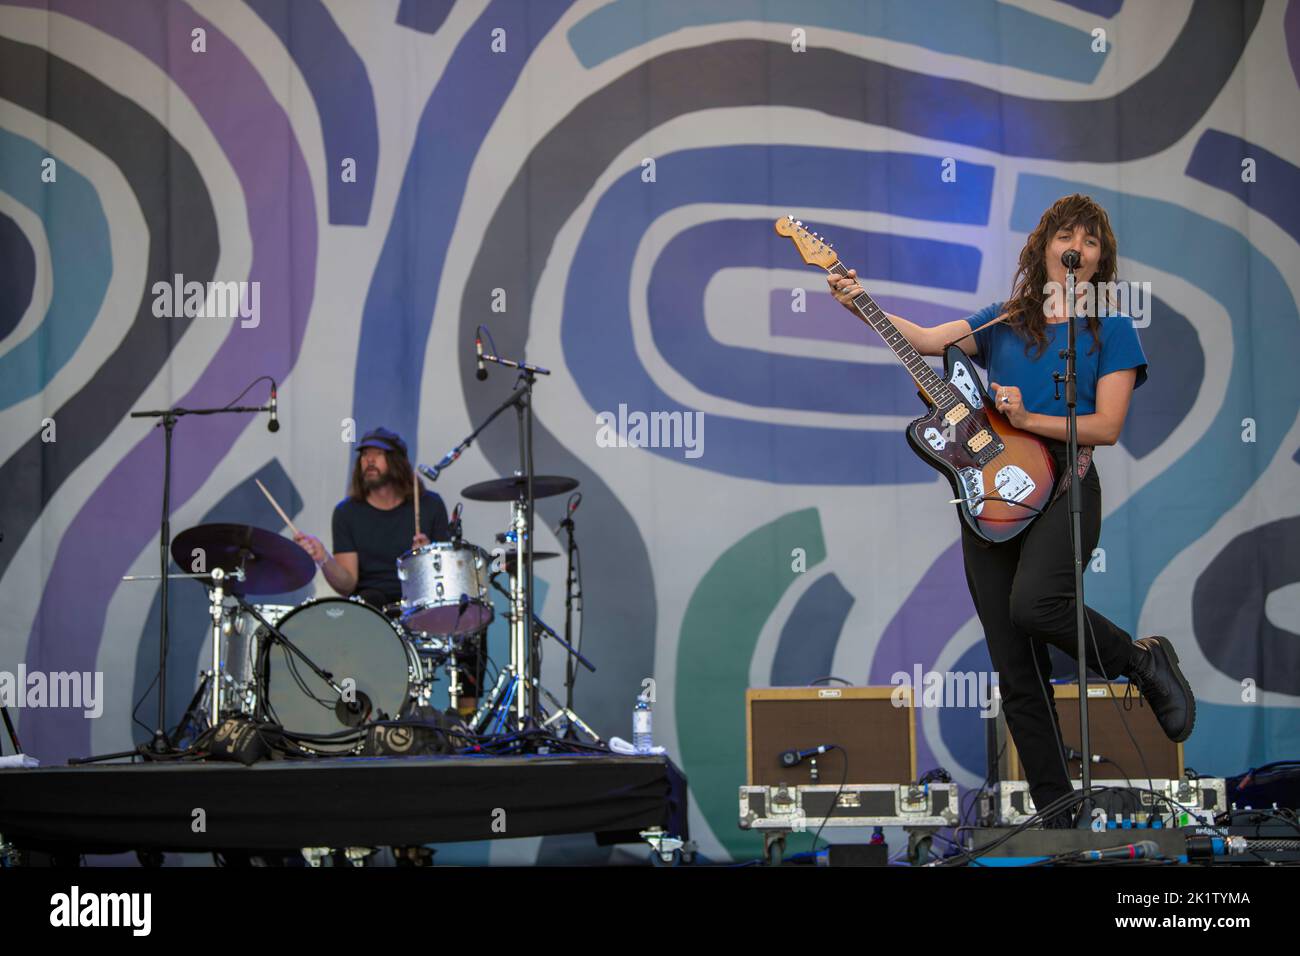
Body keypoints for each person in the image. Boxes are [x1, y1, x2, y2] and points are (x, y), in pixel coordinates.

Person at [829, 193, 1195, 827]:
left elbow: (1106, 426)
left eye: (1090, 240)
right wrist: (860, 302)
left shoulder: (1111, 329)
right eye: (1065, 235)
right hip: (989, 499)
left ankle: (1140, 661)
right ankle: (1059, 815)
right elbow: (925, 341)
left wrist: (1029, 420)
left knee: (1036, 605)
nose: (1076, 247)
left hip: (1066, 484)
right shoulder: (1004, 320)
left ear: (1099, 260)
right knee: (1015, 667)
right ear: (1044, 247)